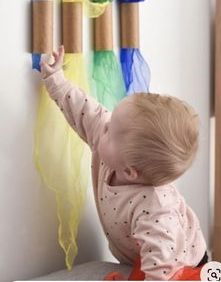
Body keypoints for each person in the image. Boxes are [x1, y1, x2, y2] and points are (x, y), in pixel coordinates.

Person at [40, 45, 208, 280]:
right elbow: (85, 112)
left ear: (129, 172)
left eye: (110, 129)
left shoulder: (156, 209)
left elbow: (161, 270)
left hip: (181, 266)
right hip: (142, 256)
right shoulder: (115, 150)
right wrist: (55, 78)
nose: (103, 124)